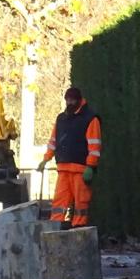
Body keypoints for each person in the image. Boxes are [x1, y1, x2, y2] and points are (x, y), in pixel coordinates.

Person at [37, 87, 101, 227]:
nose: (69, 102)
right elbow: (53, 141)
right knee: (59, 200)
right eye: (67, 100)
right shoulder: (61, 119)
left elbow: (94, 146)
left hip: (80, 169)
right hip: (64, 167)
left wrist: (90, 166)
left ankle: (79, 228)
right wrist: (45, 159)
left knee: (81, 202)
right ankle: (55, 226)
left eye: (72, 100)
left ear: (79, 100)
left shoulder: (90, 119)